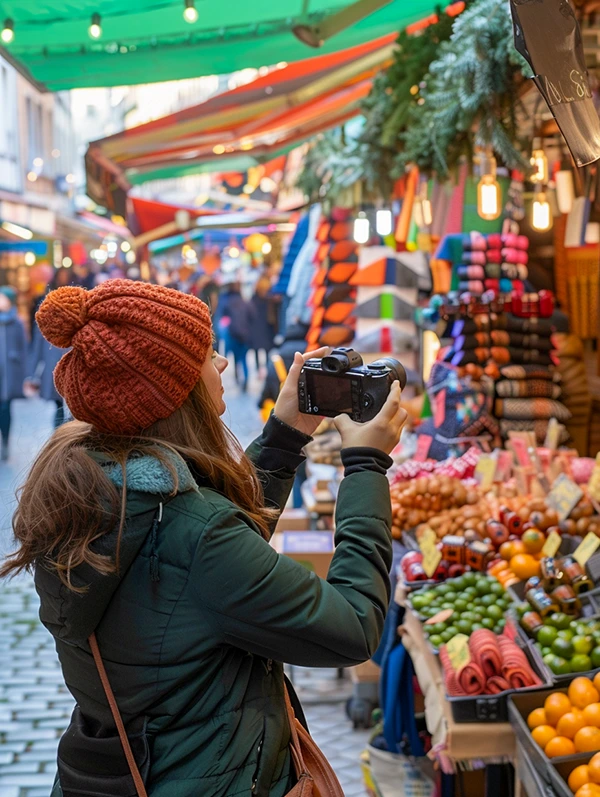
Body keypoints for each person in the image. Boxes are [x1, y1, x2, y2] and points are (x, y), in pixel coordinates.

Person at [1, 279, 406, 797]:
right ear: (174, 389)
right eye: (209, 352)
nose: (224, 364)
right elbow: (353, 626)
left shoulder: (94, 493)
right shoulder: (192, 530)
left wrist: (285, 436)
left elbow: (209, 571)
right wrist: (366, 466)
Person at [0, 286, 27, 461]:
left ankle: (5, 442)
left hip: (9, 373)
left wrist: (24, 374)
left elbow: (24, 349)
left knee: (5, 408)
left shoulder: (17, 322)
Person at [218, 280, 255, 391]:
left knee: (235, 357)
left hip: (233, 334)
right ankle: (246, 380)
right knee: (244, 359)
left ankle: (237, 377)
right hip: (245, 335)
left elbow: (223, 318)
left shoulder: (227, 303)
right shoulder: (246, 303)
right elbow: (253, 316)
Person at [249, 274, 276, 371]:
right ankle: (267, 368)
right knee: (267, 350)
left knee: (257, 349)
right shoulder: (271, 298)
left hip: (256, 326)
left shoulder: (254, 297)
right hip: (267, 327)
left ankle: (258, 369)